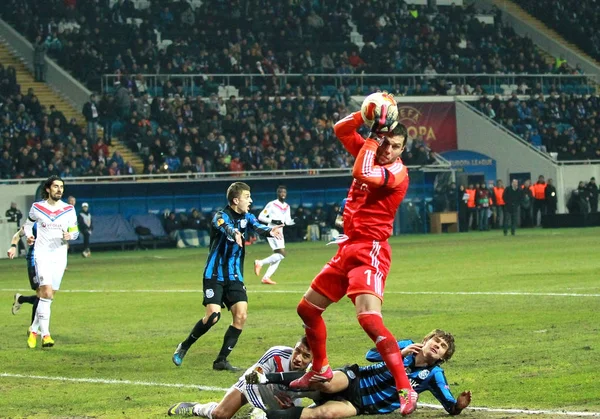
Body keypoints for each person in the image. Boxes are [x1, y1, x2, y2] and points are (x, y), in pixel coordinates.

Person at [288, 95, 418, 416]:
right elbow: (341, 128)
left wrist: (373, 137)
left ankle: (405, 388)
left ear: (402, 150)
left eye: (395, 146)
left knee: (369, 320)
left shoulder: (397, 173)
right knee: (307, 309)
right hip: (347, 247)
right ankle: (321, 368)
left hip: (371, 249)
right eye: (386, 143)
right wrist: (365, 115)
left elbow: (361, 174)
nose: (388, 150)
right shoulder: (372, 150)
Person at [172, 182, 284, 371]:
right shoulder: (220, 216)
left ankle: (221, 360)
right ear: (235, 200)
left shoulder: (247, 217)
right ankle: (184, 346)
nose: (251, 200)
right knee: (214, 315)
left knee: (241, 315)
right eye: (247, 197)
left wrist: (270, 231)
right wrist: (234, 233)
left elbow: (257, 226)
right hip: (214, 274)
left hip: (234, 276)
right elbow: (224, 227)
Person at [262, 330, 471, 419]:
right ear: (426, 340)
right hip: (356, 379)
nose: (438, 345)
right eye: (436, 340)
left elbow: (450, 407)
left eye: (442, 346)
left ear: (444, 356)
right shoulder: (406, 346)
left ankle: (265, 417)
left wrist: (458, 406)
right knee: (324, 383)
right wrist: (399, 354)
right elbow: (370, 355)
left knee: (323, 414)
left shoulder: (434, 375)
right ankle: (267, 378)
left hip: (363, 404)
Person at [167, 337, 314, 418]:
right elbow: (251, 381)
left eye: (306, 356)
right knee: (220, 415)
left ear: (313, 360)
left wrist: (292, 410)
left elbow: (323, 404)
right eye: (297, 351)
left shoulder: (315, 375)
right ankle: (197, 408)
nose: (298, 358)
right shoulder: (276, 354)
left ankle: (255, 412)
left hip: (281, 400)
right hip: (257, 386)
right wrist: (261, 409)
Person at [23, 175, 79, 348]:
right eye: (55, 186)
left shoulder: (69, 209)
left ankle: (33, 329)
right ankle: (45, 335)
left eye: (61, 187)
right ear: (48, 189)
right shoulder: (37, 207)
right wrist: (29, 235)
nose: (59, 190)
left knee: (49, 295)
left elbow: (75, 232)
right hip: (42, 254)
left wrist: (71, 235)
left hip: (60, 256)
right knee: (46, 292)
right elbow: (27, 224)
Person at [254, 186, 295, 285]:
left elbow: (287, 221)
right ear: (278, 194)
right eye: (281, 192)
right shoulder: (272, 204)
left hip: (280, 231)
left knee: (279, 256)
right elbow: (261, 216)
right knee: (282, 254)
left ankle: (266, 277)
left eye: (284, 192)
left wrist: (294, 221)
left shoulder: (287, 206)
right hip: (272, 230)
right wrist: (272, 220)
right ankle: (260, 263)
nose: (283, 194)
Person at [8, 224, 40, 324]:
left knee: (48, 295)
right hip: (33, 262)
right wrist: (13, 247)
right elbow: (17, 235)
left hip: (47, 262)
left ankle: (21, 299)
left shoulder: (52, 222)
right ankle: (33, 328)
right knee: (41, 296)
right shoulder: (32, 224)